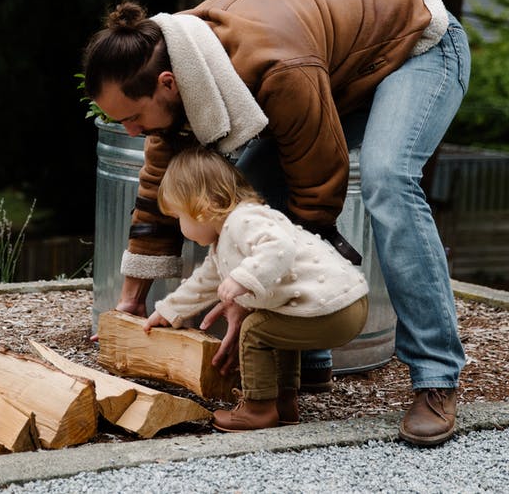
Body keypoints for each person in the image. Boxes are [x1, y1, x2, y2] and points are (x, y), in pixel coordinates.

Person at [81, 0, 470, 446]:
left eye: (134, 118)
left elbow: (317, 185)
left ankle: (435, 379)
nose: (132, 132)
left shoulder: (276, 65)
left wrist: (251, 293)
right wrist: (131, 300)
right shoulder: (167, 59)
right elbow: (162, 184)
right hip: (338, 69)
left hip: (417, 44)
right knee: (242, 197)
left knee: (388, 180)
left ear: (166, 84)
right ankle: (302, 362)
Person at [142, 147, 369, 432]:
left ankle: (257, 409)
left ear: (202, 207)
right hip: (341, 305)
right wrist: (168, 310)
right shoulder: (225, 238)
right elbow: (202, 283)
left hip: (337, 308)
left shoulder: (242, 221)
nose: (179, 226)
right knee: (276, 331)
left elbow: (279, 247)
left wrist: (242, 278)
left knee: (254, 330)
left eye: (178, 217)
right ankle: (284, 403)